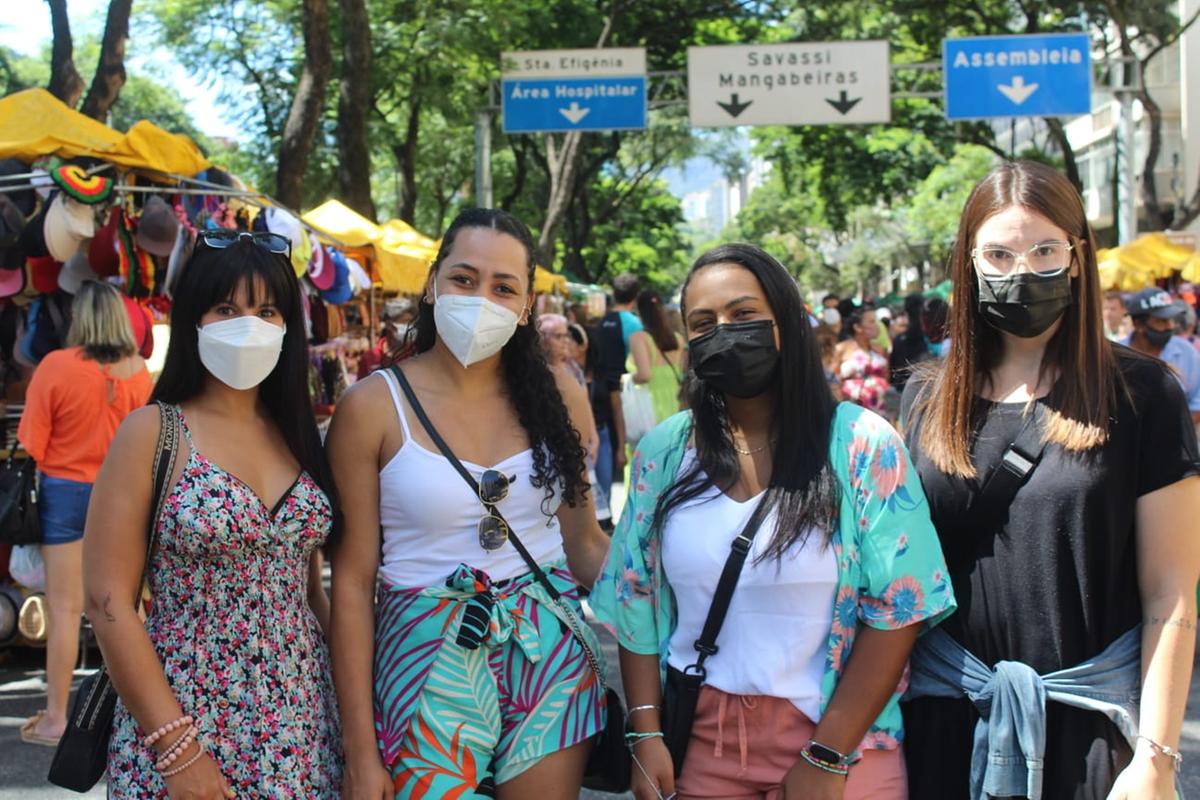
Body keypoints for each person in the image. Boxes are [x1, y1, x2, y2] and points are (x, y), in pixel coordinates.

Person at [592, 243, 955, 800]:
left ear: (785, 322)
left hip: (844, 748)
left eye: (743, 316)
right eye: (703, 322)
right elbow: (634, 596)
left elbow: (899, 610)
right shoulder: (665, 452)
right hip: (700, 748)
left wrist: (827, 754)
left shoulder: (862, 444)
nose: (724, 332)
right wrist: (644, 732)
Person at [900, 160, 1200, 800]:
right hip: (947, 725)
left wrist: (1157, 758)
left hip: (1090, 732)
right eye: (999, 255)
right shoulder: (927, 397)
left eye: (1043, 250)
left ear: (1076, 258)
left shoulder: (1144, 393)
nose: (1021, 272)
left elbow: (1171, 594)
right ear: (970, 264)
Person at [327, 208, 613, 800]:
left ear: (526, 306)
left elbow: (586, 547)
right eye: (464, 278)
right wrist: (359, 747)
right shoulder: (372, 407)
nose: (481, 297)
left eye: (503, 286)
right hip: (425, 660)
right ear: (432, 284)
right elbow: (352, 583)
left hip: (549, 653)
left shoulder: (558, 392)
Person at [84, 231, 341, 796]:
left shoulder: (298, 435)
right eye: (227, 307)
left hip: (304, 723)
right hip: (186, 717)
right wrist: (178, 753)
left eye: (266, 309)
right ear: (195, 320)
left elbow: (312, 594)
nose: (247, 324)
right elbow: (108, 605)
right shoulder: (154, 433)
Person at [16, 281, 152, 747]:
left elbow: (32, 441)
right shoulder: (138, 372)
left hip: (64, 492)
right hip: (121, 494)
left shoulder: (54, 367)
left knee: (64, 608)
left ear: (81, 318)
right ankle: (135, 713)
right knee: (125, 608)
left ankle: (56, 717)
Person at [1121, 287, 1200, 425]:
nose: (1169, 326)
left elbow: (1197, 401)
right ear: (1138, 324)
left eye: (1171, 320)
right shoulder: (1116, 355)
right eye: (1161, 321)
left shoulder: (1186, 352)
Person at [635, 288, 687, 423]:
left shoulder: (638, 338)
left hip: (650, 404)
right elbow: (683, 372)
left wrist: (629, 379)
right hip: (676, 403)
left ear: (639, 312)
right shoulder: (678, 339)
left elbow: (644, 375)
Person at [836, 306, 891, 413]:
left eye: (877, 321)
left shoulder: (880, 350)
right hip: (853, 412)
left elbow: (887, 377)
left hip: (880, 410)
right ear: (857, 327)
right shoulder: (841, 349)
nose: (877, 325)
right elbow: (833, 382)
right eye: (872, 322)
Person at [357, 297, 416, 379]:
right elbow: (360, 388)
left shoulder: (417, 353)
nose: (409, 326)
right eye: (404, 321)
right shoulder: (369, 357)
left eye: (411, 322)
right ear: (388, 324)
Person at [888, 293, 930, 394]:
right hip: (925, 391)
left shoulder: (899, 340)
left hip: (903, 391)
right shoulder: (931, 339)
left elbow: (893, 370)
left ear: (906, 313)